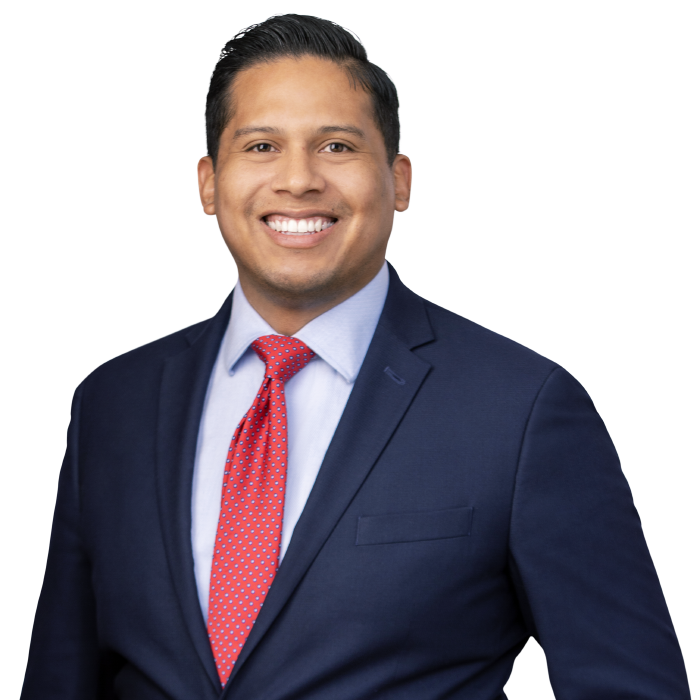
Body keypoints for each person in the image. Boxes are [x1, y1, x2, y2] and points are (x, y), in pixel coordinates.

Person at [21, 13, 690, 700]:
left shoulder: (520, 411)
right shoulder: (112, 403)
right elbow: (59, 680)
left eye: (336, 145)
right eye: (261, 146)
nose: (298, 180)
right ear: (209, 183)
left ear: (398, 181)